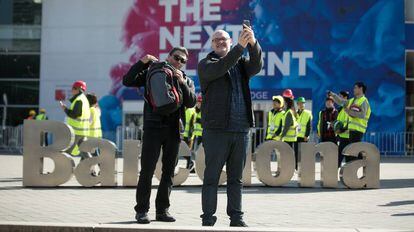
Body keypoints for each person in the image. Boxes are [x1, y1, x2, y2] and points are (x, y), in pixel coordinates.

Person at [197, 24, 262, 227]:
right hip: (216, 130)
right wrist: (239, 48)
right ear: (212, 44)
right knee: (211, 177)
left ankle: (236, 217)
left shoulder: (241, 63)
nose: (220, 42)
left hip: (241, 129)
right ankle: (208, 218)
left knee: (236, 178)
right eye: (217, 40)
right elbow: (221, 67)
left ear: (230, 42)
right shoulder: (206, 64)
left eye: (224, 39)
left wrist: (252, 43)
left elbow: (257, 65)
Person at [123, 47, 196, 224]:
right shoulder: (153, 71)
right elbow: (128, 80)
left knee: (168, 172)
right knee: (147, 171)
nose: (179, 62)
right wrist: (143, 61)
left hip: (174, 130)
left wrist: (182, 82)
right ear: (169, 56)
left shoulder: (186, 79)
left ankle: (162, 211)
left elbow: (191, 101)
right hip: (153, 127)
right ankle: (141, 211)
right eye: (177, 58)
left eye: (183, 60)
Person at [329, 82, 371, 161]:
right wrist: (333, 95)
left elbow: (362, 115)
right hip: (352, 130)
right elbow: (341, 102)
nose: (353, 89)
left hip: (358, 130)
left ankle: (363, 159)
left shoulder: (364, 101)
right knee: (351, 151)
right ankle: (356, 164)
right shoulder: (352, 101)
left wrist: (349, 112)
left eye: (355, 87)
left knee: (353, 152)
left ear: (361, 88)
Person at [60, 81, 91, 160]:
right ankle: (93, 169)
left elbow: (75, 114)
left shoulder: (79, 100)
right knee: (85, 152)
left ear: (80, 89)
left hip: (76, 131)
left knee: (67, 151)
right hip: (82, 131)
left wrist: (65, 109)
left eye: (74, 88)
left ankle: (64, 170)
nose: (72, 90)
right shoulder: (84, 99)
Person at [278, 89, 298, 169]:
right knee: (289, 155)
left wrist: (281, 136)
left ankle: (289, 169)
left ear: (285, 102)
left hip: (288, 139)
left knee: (288, 155)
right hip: (289, 138)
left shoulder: (289, 113)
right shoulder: (290, 111)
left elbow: (286, 127)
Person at [334, 91, 350, 167]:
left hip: (347, 137)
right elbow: (340, 122)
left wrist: (341, 130)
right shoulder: (340, 109)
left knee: (343, 156)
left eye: (340, 97)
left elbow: (350, 122)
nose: (338, 99)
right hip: (341, 136)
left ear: (345, 98)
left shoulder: (348, 108)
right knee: (340, 156)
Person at [183, 106, 196, 170]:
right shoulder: (186, 110)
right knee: (183, 151)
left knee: (186, 151)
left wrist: (190, 136)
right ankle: (190, 163)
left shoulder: (191, 110)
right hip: (183, 134)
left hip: (188, 135)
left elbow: (192, 124)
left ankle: (190, 164)